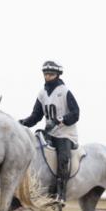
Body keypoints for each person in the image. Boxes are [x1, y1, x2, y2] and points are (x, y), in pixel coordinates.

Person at [19, 61, 80, 200]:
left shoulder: (64, 91)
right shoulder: (42, 94)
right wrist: (22, 122)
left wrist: (59, 119)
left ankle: (60, 191)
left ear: (58, 75)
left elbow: (76, 113)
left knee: (63, 158)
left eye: (51, 74)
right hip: (50, 133)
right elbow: (36, 116)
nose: (47, 77)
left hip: (66, 134)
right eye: (45, 74)